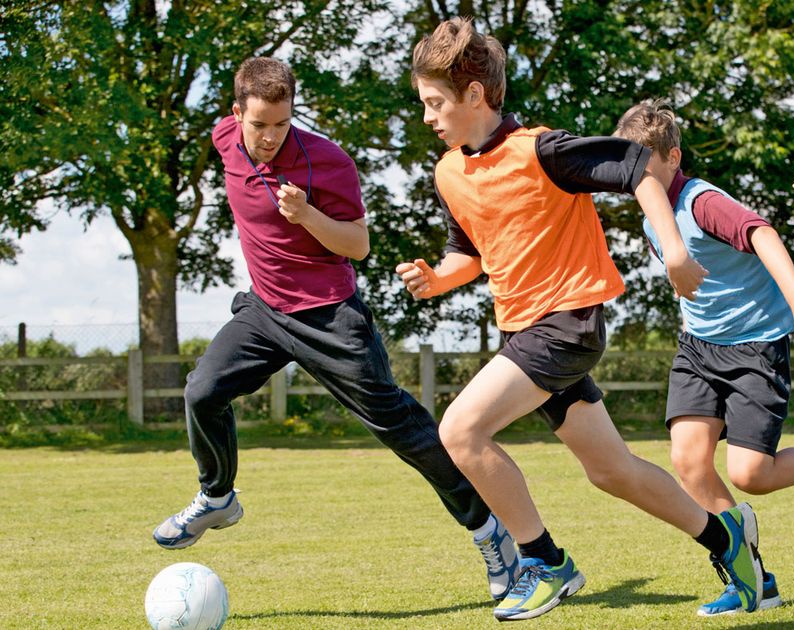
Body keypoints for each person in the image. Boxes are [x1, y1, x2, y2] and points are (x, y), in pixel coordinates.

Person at [396, 17, 763, 622]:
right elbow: (471, 253)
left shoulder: (542, 150)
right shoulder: (449, 173)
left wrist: (674, 251)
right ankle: (730, 543)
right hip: (525, 331)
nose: (428, 117)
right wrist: (438, 279)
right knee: (611, 471)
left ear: (474, 96)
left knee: (460, 430)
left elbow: (641, 167)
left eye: (435, 103)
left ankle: (545, 563)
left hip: (567, 322)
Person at [152, 57, 521, 602]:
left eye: (283, 123)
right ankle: (218, 497)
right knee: (202, 391)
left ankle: (493, 538)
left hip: (328, 313)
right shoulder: (225, 137)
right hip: (264, 310)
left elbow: (358, 247)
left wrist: (307, 217)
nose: (272, 136)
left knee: (402, 427)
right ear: (236, 115)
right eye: (260, 125)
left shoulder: (326, 162)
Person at [614, 100, 794, 615]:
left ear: (674, 157)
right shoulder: (651, 214)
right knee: (689, 462)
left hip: (755, 346)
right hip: (698, 347)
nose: (637, 177)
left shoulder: (702, 201)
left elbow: (762, 234)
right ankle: (750, 577)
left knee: (751, 475)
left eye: (646, 164)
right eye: (629, 166)